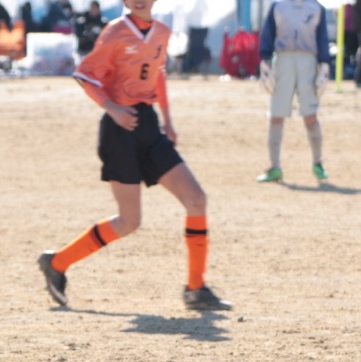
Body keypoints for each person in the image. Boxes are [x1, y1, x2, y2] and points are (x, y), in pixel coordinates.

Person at [36, 0, 231, 312]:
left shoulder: (162, 31)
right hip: (119, 131)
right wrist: (112, 108)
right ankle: (57, 262)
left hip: (149, 126)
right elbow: (85, 75)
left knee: (196, 199)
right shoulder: (115, 31)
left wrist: (168, 120)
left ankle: (196, 288)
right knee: (129, 221)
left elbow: (158, 74)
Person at [255, 0, 332, 182]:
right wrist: (264, 60)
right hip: (283, 60)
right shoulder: (278, 6)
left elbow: (322, 38)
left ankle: (318, 163)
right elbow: (268, 34)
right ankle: (275, 167)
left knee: (310, 115)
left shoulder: (316, 7)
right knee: (276, 114)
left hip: (308, 61)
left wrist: (324, 64)